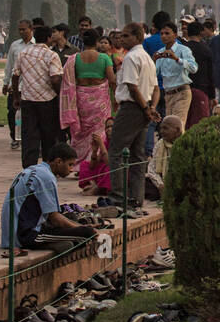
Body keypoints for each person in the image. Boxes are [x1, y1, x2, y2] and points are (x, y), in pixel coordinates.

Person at [0, 142, 94, 255]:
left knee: (71, 217)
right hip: (25, 235)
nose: (72, 170)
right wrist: (82, 228)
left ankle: (59, 242)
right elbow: (55, 218)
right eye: (70, 165)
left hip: (15, 231)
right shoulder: (46, 177)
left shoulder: (34, 169)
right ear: (58, 162)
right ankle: (53, 243)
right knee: (86, 234)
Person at [110, 23, 160, 210]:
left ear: (137, 37)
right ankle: (136, 198)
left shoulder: (131, 57)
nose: (121, 39)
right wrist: (151, 107)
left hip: (132, 107)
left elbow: (132, 86)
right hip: (144, 108)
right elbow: (155, 89)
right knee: (138, 155)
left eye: (125, 36)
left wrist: (146, 108)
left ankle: (118, 196)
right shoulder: (147, 58)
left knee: (116, 151)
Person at [59, 28, 115, 161]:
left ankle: (79, 162)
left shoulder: (75, 59)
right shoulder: (104, 58)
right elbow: (112, 80)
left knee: (81, 131)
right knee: (100, 131)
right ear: (97, 41)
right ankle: (95, 160)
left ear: (83, 41)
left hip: (81, 100)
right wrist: (116, 98)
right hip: (100, 102)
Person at [11, 26, 63, 169]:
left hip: (28, 100)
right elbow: (55, 79)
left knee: (29, 136)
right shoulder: (52, 55)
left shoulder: (24, 53)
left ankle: (29, 167)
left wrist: (16, 96)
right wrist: (59, 94)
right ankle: (48, 165)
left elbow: (15, 76)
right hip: (48, 100)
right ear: (48, 38)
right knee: (48, 136)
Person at [151, 21, 197, 126]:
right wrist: (153, 60)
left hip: (181, 92)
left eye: (167, 33)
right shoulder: (161, 52)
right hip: (168, 94)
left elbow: (194, 68)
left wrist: (177, 59)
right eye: (162, 34)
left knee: (177, 125)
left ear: (175, 35)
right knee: (169, 125)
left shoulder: (183, 50)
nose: (164, 36)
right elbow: (154, 73)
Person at [3, 19, 33, 150]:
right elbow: (9, 65)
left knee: (28, 115)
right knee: (12, 113)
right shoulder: (15, 46)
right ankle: (14, 137)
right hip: (14, 86)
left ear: (31, 29)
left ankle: (26, 138)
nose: (21, 32)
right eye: (19, 30)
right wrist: (5, 82)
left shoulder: (36, 45)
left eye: (24, 29)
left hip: (30, 86)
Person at [144, 115, 183, 201]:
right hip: (162, 183)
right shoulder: (160, 144)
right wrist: (160, 185)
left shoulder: (186, 144)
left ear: (177, 130)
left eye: (165, 128)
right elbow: (152, 168)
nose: (161, 131)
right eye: (161, 128)